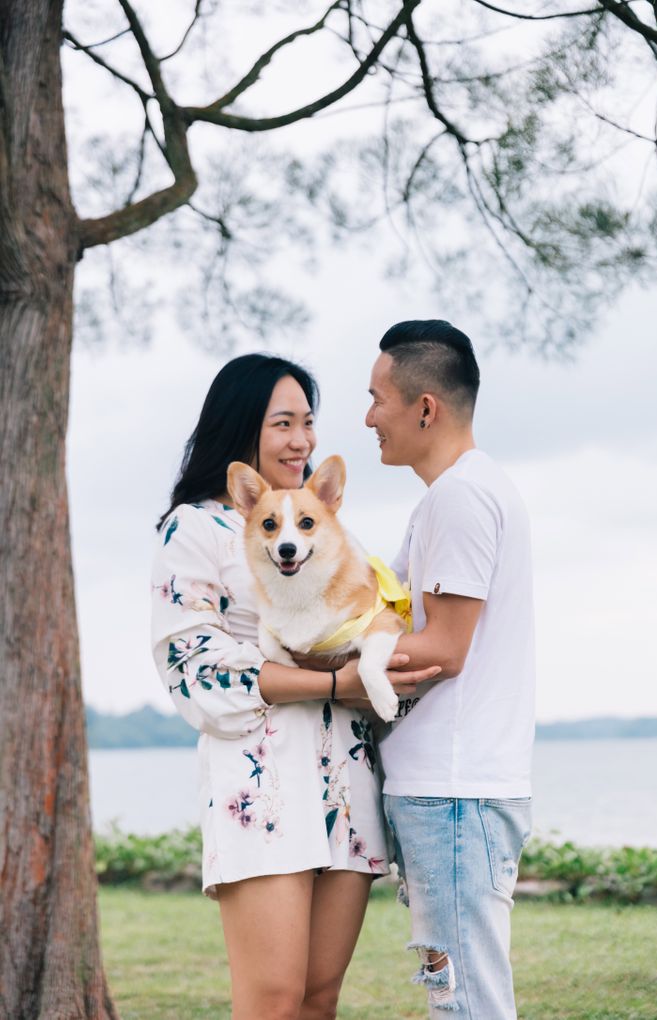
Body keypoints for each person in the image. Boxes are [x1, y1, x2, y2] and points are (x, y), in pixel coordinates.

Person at [150, 352, 439, 1020]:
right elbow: (197, 669)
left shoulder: (321, 524)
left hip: (347, 783)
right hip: (264, 787)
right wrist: (336, 685)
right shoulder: (194, 528)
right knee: (273, 1002)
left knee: (317, 1000)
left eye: (307, 422)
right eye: (283, 423)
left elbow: (374, 619)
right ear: (242, 427)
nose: (301, 440)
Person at [365, 321, 535, 1019]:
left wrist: (337, 667)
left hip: (455, 794)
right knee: (455, 995)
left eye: (377, 398)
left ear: (425, 407)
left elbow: (445, 647)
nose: (368, 416)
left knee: (465, 1003)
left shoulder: (460, 497)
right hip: (449, 795)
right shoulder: (459, 493)